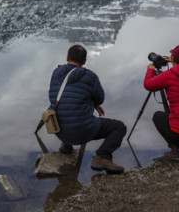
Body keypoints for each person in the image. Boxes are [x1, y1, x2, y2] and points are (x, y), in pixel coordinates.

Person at [48, 44, 127, 173]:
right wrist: (94, 103)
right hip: (82, 132)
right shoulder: (90, 76)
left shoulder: (56, 72)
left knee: (68, 108)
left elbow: (54, 97)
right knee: (119, 127)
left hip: (58, 130)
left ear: (67, 57)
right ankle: (102, 156)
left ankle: (66, 145)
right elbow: (100, 98)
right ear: (84, 61)